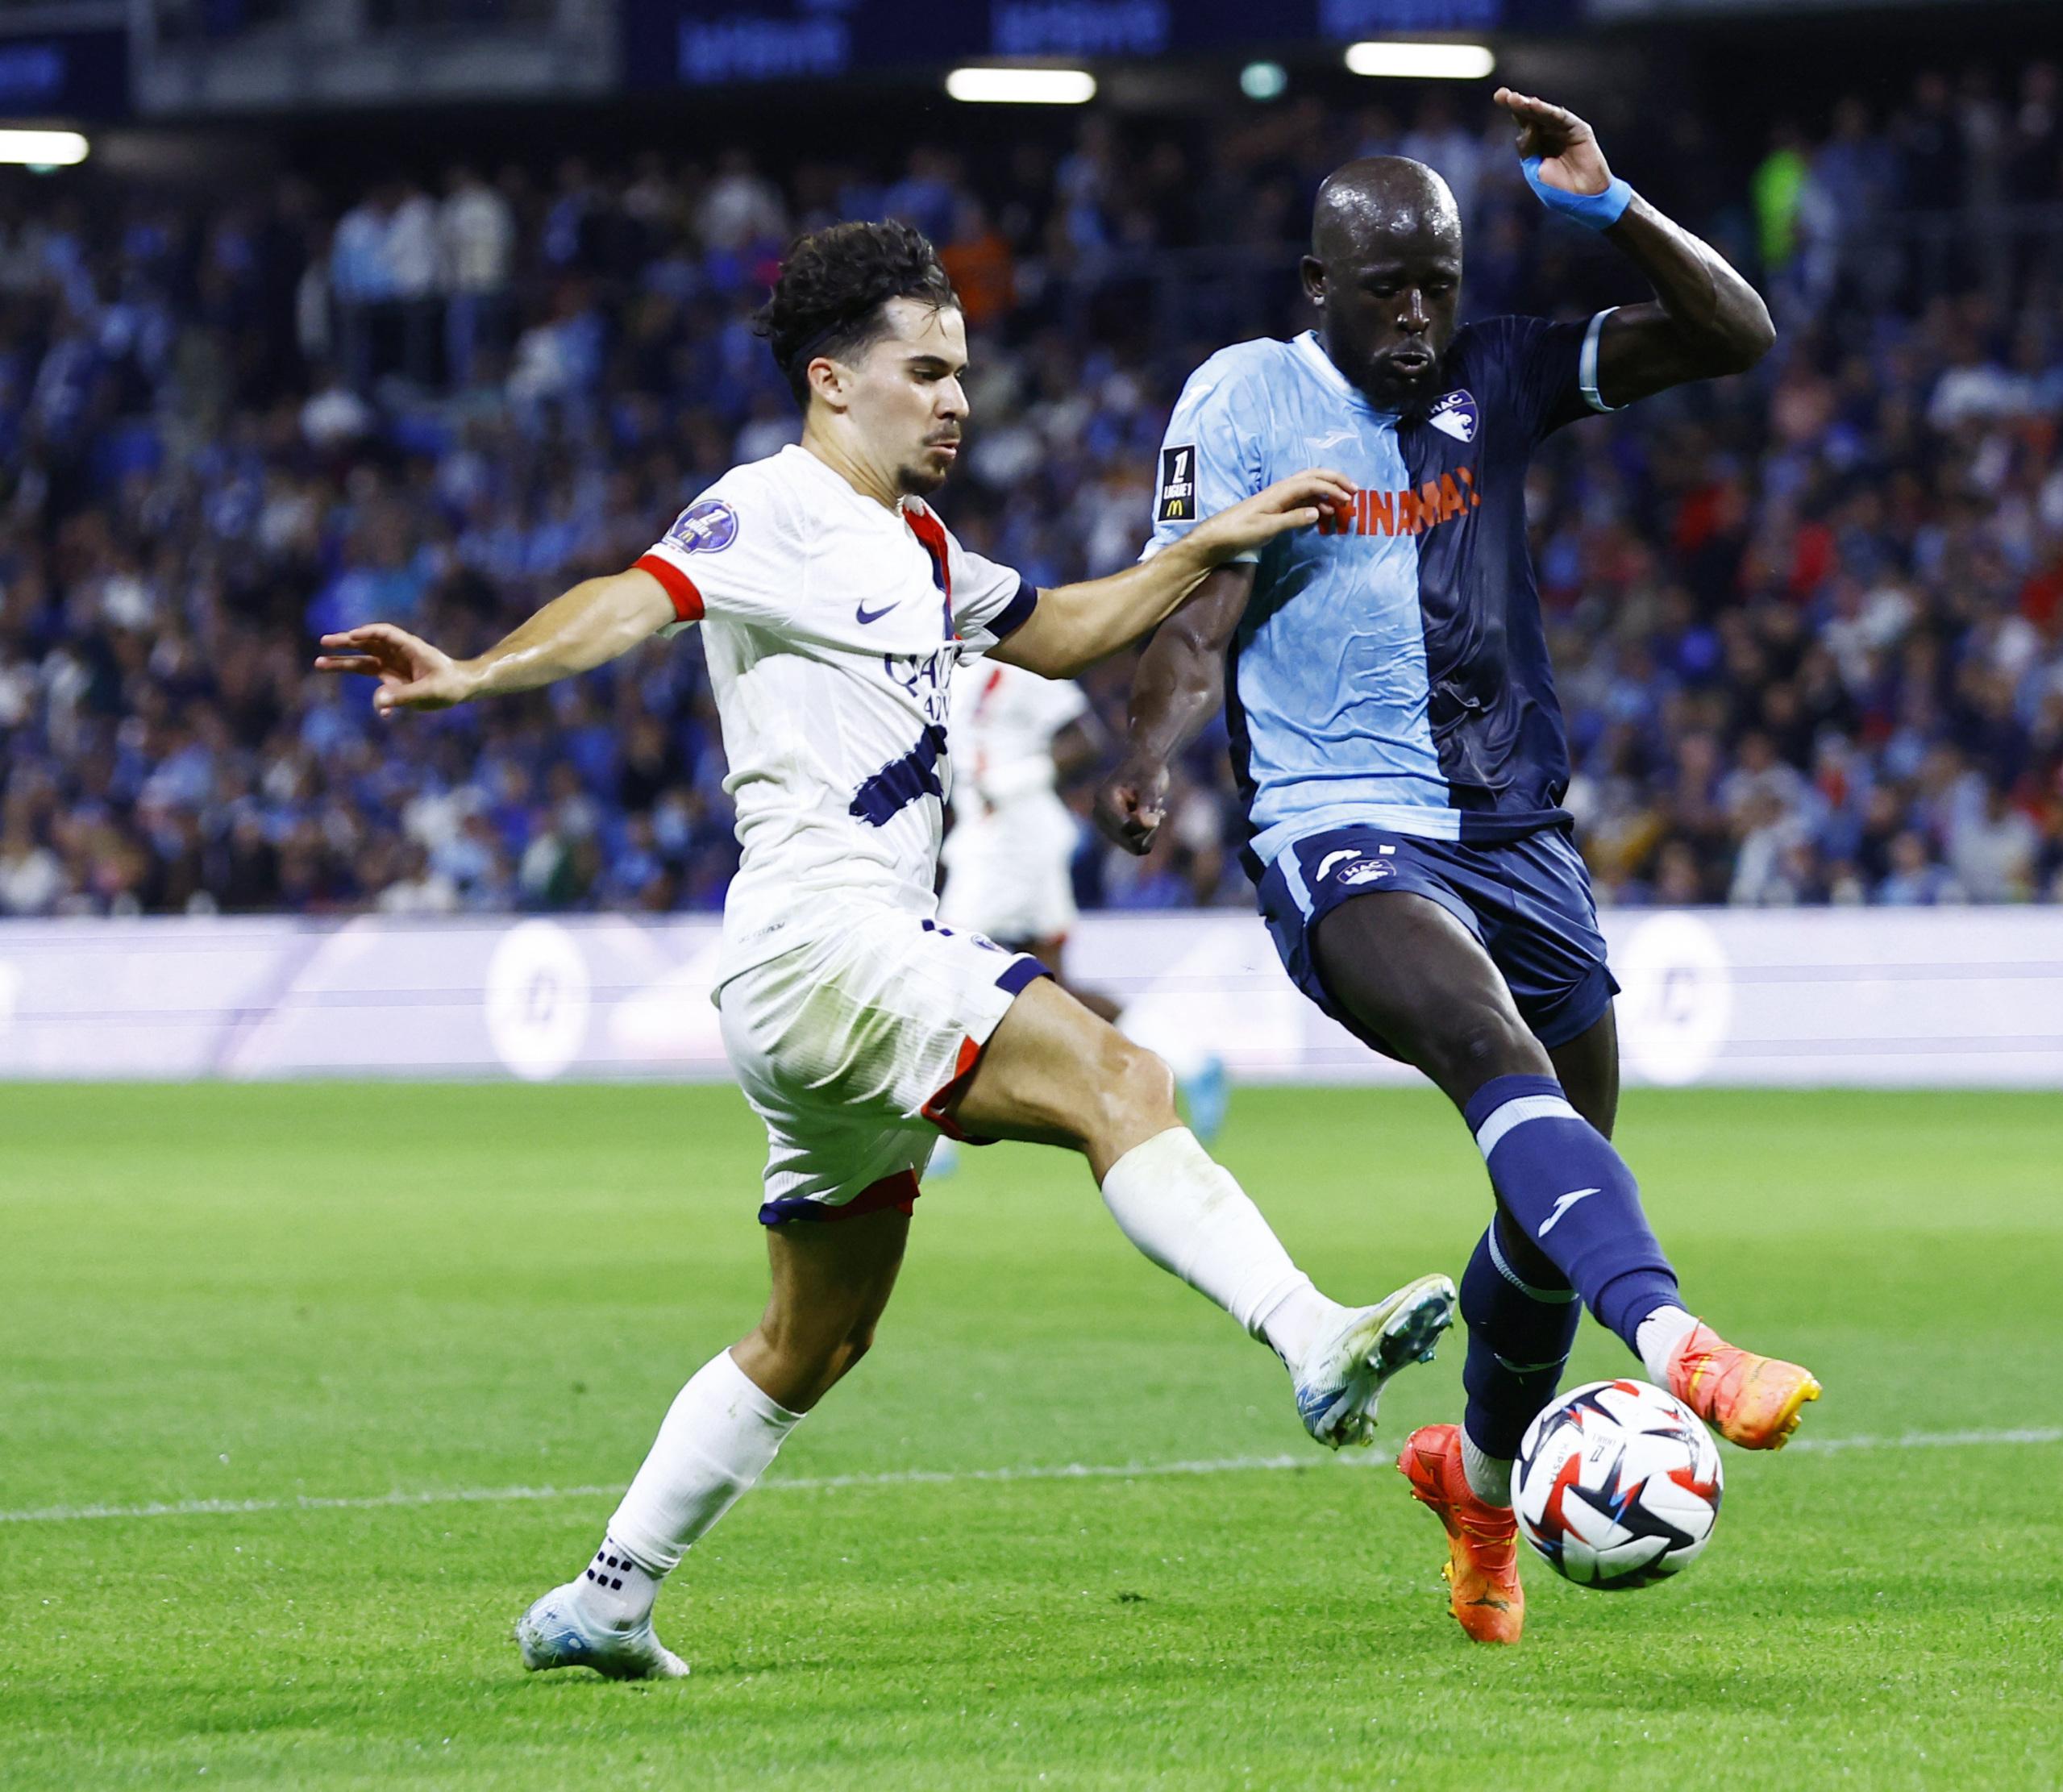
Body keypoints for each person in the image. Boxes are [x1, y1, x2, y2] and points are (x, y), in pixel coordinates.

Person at [316, 221, 1452, 1682]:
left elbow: (1059, 631)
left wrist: (1211, 543)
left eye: (963, 371)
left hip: (815, 984)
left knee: (815, 1337)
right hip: (828, 935)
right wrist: (477, 671)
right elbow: (628, 599)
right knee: (1122, 1075)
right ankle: (1308, 1334)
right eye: (925, 371)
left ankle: (606, 1593)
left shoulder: (920, 549)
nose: (957, 398)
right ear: (831, 381)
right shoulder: (771, 506)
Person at [1093, 90, 1818, 1649]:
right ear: (1319, 288)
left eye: (1439, 278)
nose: (1421, 312)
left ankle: (1477, 1482)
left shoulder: (1497, 371)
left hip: (1516, 827)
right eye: (1387, 288)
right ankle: (1680, 1340)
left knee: (1551, 1182)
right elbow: (1194, 611)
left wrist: (1609, 203)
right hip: (1336, 824)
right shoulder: (1242, 400)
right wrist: (1152, 746)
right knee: (1496, 1055)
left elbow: (1736, 334)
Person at [939, 655, 1229, 1144]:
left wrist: (1013, 780)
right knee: (1058, 987)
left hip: (1014, 836)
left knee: (945, 965)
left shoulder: (1017, 662)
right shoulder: (946, 669)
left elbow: (1087, 738)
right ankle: (1188, 1058)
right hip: (986, 833)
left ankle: (935, 1134)